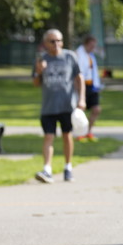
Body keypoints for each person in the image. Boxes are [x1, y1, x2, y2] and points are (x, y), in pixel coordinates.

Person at [32, 28, 85, 183]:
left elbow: (79, 78)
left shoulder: (70, 57)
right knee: (48, 136)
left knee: (67, 136)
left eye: (59, 40)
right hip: (48, 106)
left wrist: (81, 99)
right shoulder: (41, 59)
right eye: (52, 41)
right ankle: (47, 169)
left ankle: (68, 167)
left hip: (67, 105)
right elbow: (36, 83)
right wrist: (38, 71)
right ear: (45, 43)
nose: (56, 44)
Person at [75, 35, 103, 141]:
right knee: (80, 111)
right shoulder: (78, 54)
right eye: (91, 45)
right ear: (86, 44)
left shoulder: (90, 55)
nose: (93, 47)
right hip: (82, 85)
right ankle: (80, 133)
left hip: (92, 86)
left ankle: (88, 131)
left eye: (94, 45)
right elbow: (77, 74)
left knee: (96, 109)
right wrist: (78, 90)